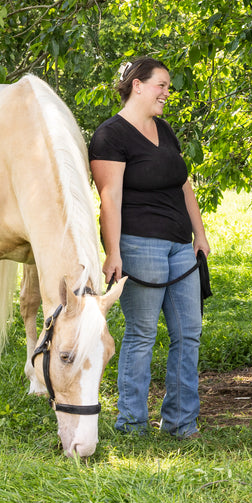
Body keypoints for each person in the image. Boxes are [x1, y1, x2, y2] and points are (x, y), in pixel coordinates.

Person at [89, 56, 212, 439]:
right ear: (137, 86)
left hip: (180, 247)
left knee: (188, 332)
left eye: (168, 87)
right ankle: (132, 425)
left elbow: (184, 185)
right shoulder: (110, 136)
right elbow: (109, 199)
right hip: (139, 245)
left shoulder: (164, 129)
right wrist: (114, 253)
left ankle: (180, 423)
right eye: (161, 85)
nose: (166, 93)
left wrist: (200, 235)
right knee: (142, 334)